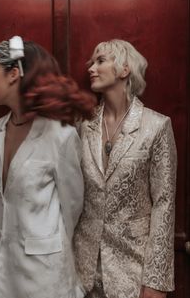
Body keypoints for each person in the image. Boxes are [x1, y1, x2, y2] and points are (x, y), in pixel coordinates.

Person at [0, 36, 95, 298]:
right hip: (3, 271)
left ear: (14, 73)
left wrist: (44, 244)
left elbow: (72, 207)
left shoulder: (59, 134)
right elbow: (0, 196)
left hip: (46, 277)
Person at [73, 39, 177, 298]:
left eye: (100, 61)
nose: (91, 69)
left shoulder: (157, 127)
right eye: (91, 63)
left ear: (124, 70)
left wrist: (156, 281)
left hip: (132, 274)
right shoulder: (82, 126)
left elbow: (164, 204)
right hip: (81, 273)